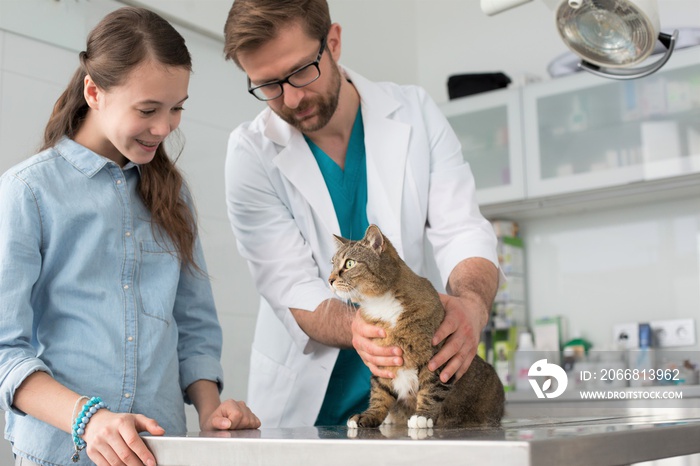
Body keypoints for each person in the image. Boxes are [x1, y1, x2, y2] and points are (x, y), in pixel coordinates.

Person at [223, 0, 502, 428]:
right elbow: (291, 284)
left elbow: (461, 229)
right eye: (268, 85)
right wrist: (359, 327)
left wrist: (472, 306)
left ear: (333, 42)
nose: (292, 98)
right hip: (304, 408)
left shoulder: (415, 113)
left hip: (412, 405)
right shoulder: (250, 154)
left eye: (301, 72)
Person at [0, 7, 259, 466]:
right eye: (147, 110)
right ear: (94, 92)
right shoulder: (28, 192)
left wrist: (211, 411)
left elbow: (194, 328)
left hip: (160, 453)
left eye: (177, 108)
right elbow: (5, 352)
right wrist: (89, 419)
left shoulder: (173, 197)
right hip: (60, 457)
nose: (165, 127)